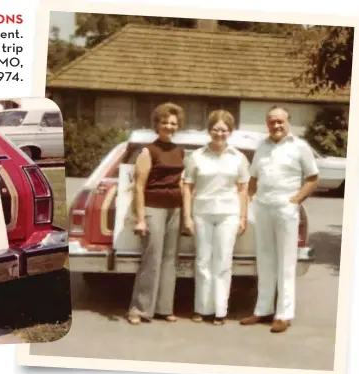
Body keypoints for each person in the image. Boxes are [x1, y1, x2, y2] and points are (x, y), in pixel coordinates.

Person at [240, 106, 319, 333]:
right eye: (272, 122)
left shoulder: (299, 147)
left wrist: (295, 200)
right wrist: (252, 199)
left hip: (286, 208)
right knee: (264, 259)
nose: (276, 126)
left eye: (280, 122)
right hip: (263, 208)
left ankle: (284, 314)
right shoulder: (262, 147)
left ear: (288, 122)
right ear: (267, 124)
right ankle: (262, 310)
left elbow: (312, 178)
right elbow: (253, 177)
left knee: (286, 262)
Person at [182, 110, 250, 325]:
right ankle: (201, 308)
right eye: (215, 129)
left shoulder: (238, 157)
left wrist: (242, 217)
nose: (219, 133)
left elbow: (242, 189)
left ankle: (220, 310)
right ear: (209, 130)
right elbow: (187, 187)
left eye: (224, 129)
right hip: (202, 213)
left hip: (228, 215)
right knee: (202, 261)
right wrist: (187, 217)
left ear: (230, 131)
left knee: (222, 262)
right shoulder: (196, 156)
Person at [126, 102, 185, 325]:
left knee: (170, 260)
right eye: (165, 122)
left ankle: (163, 308)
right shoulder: (147, 151)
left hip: (174, 209)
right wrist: (141, 218)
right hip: (153, 208)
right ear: (157, 124)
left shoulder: (179, 150)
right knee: (151, 259)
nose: (169, 126)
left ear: (177, 125)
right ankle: (138, 309)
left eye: (173, 123)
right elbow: (139, 187)